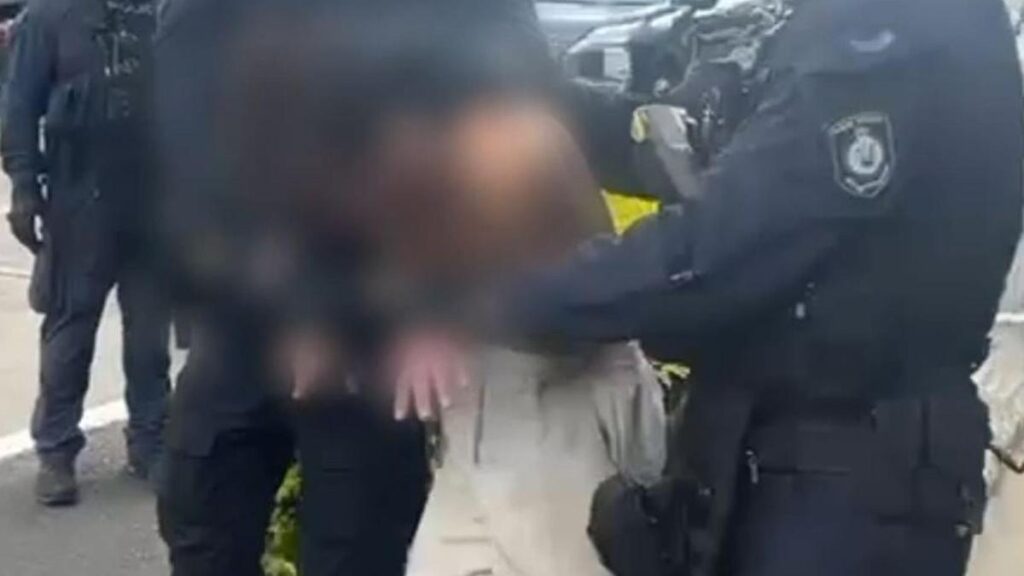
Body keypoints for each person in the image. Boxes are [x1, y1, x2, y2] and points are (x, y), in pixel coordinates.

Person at [391, 0, 1024, 575]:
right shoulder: (857, 27)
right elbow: (696, 150)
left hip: (846, 474)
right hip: (790, 456)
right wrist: (522, 97)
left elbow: (717, 253)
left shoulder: (894, 38)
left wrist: (487, 303)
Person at [152, 1, 429, 574]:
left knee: (358, 543)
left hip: (366, 333)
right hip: (241, 320)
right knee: (203, 522)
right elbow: (191, 161)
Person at [1, 0, 170, 506]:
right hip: (80, 199)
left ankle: (150, 441)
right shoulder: (48, 18)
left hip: (153, 198)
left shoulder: (159, 12)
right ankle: (56, 450)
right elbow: (18, 107)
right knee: (71, 325)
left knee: (150, 332)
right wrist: (24, 187)